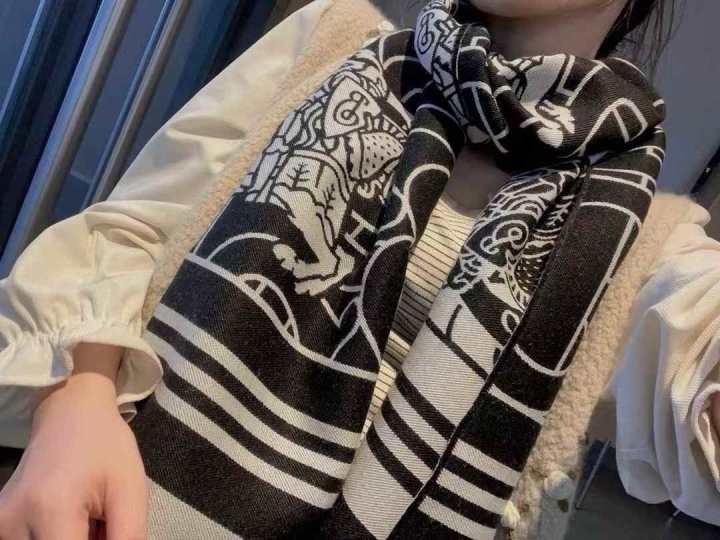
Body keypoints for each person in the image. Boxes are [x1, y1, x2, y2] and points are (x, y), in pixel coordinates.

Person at [0, 0, 717, 538]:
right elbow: (128, 231)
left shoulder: (651, 240)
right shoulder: (335, 42)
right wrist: (77, 397)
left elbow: (699, 384)